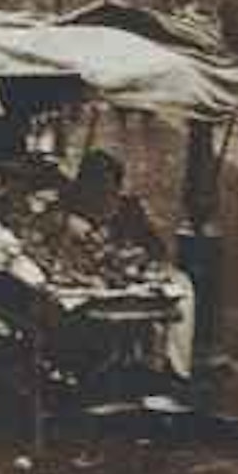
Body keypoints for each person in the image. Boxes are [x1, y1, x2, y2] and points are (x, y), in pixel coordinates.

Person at [63, 148, 196, 409]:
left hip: (136, 275)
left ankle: (174, 369)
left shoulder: (128, 208)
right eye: (95, 184)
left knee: (182, 287)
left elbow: (156, 248)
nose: (103, 193)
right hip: (95, 280)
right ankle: (108, 370)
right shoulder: (71, 211)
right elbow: (73, 256)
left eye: (109, 185)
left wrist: (140, 257)